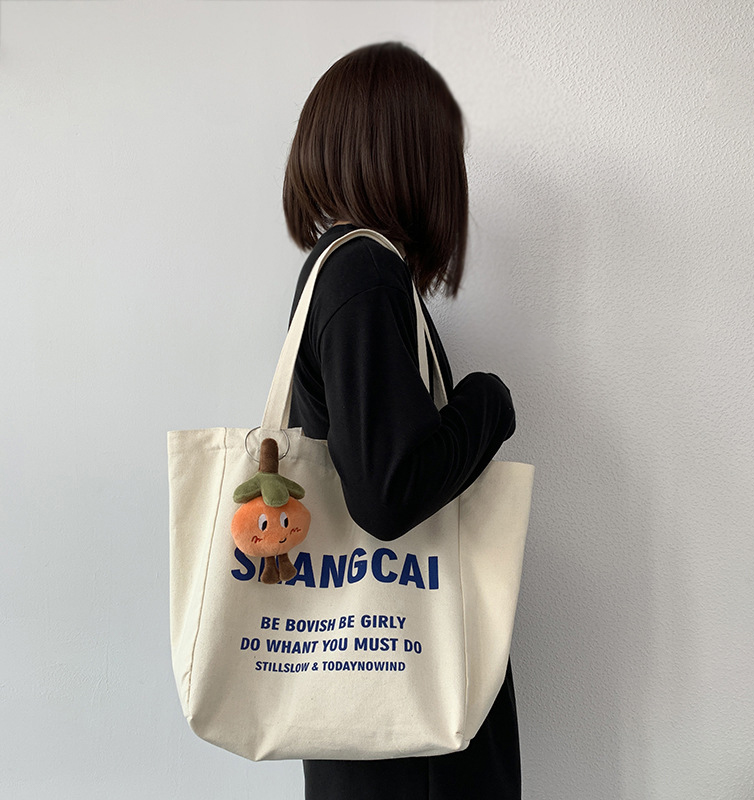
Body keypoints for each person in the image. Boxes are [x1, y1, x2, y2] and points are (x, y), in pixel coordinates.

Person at [282, 41, 521, 800]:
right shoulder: (362, 272)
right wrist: (488, 404)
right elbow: (389, 494)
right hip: (406, 739)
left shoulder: (348, 271)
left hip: (381, 718)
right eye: (445, 153)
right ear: (409, 157)